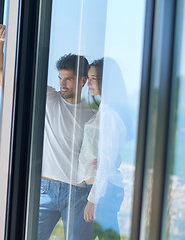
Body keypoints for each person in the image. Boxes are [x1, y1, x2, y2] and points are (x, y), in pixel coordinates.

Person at [38, 54, 95, 240]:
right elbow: (2, 74)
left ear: (83, 81)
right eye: (60, 79)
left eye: (68, 79)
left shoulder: (92, 116)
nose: (62, 84)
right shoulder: (49, 98)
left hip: (76, 193)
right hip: (44, 189)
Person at [78, 58, 126, 239]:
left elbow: (105, 163)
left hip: (103, 192)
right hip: (100, 190)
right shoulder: (104, 110)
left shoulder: (110, 115)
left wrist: (92, 201)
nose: (88, 83)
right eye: (89, 78)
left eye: (94, 78)